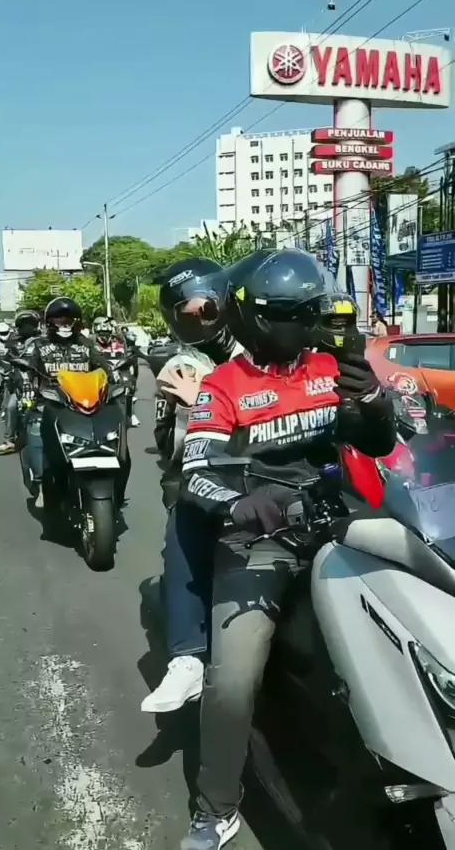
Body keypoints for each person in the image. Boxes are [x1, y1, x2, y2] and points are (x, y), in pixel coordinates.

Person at [177, 249, 397, 850]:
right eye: (286, 313)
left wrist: (373, 401)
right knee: (233, 681)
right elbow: (194, 470)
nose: (300, 324)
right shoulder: (223, 385)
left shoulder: (334, 368)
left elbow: (381, 444)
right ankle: (216, 807)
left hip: (341, 525)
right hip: (260, 541)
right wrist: (235, 505)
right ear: (253, 316)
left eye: (307, 312)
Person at [141, 257, 243, 714]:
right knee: (184, 522)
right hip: (209, 475)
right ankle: (188, 657)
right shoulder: (182, 365)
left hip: (285, 470)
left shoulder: (266, 348)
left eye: (208, 307)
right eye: (190, 313)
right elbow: (169, 444)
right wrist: (193, 405)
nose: (203, 318)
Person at [25, 297, 126, 508]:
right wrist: (25, 386)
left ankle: (116, 491)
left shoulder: (86, 344)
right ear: (50, 322)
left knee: (119, 443)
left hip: (84, 404)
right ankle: (42, 483)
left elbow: (103, 366)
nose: (65, 324)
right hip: (50, 403)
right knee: (35, 428)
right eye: (59, 319)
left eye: (69, 320)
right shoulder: (38, 346)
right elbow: (26, 370)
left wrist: (115, 377)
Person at [0, 310, 40, 456]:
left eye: (30, 324)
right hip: (20, 384)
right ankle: (9, 440)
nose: (27, 327)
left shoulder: (43, 341)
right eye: (24, 324)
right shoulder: (13, 343)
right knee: (11, 407)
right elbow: (5, 360)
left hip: (42, 383)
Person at [92, 317, 140, 427]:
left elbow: (127, 355)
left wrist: (127, 359)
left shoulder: (118, 343)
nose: (105, 337)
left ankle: (131, 414)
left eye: (107, 334)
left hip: (118, 371)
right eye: (101, 333)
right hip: (100, 372)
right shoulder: (91, 344)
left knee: (128, 384)